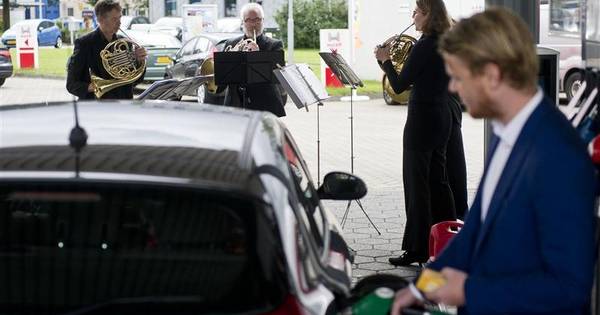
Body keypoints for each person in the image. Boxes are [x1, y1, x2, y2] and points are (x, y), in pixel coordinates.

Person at [391, 7, 597, 315]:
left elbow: (568, 288)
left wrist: (468, 291)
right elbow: (474, 230)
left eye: (458, 77)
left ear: (491, 75)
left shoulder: (560, 157)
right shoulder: (507, 132)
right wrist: (421, 288)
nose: (452, 88)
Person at [374, 0, 456, 266]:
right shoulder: (447, 41)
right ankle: (449, 242)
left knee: (416, 187)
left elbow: (398, 85)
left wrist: (385, 61)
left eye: (417, 12)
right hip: (442, 117)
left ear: (428, 15)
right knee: (439, 183)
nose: (413, 16)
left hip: (421, 121)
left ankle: (417, 249)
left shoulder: (423, 45)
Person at [66, 0, 146, 100]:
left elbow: (135, 80)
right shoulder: (84, 44)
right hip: (96, 107)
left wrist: (139, 61)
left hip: (123, 104)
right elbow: (71, 84)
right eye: (114, 19)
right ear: (101, 20)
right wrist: (90, 87)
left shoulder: (126, 43)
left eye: (120, 18)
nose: (119, 22)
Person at [221, 3, 286, 117]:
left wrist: (258, 55)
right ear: (243, 22)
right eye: (249, 20)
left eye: (257, 19)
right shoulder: (231, 43)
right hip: (235, 105)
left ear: (263, 21)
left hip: (265, 105)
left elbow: (278, 76)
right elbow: (222, 80)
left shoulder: (274, 45)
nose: (254, 24)